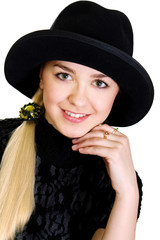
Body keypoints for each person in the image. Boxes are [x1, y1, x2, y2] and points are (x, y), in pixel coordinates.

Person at [0, 1, 154, 240]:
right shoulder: (2, 143)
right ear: (42, 76)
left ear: (117, 95)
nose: (78, 100)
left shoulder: (113, 182)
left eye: (100, 83)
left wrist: (128, 193)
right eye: (64, 75)